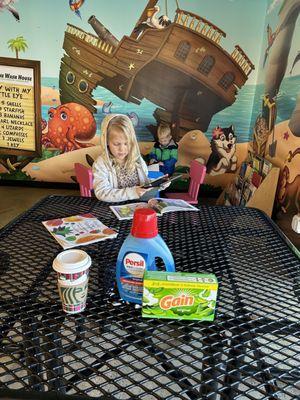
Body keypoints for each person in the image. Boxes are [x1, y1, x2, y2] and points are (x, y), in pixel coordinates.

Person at [93, 114, 152, 202]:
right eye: (117, 144)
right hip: (114, 208)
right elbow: (102, 192)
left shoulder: (137, 159)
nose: (122, 149)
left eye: (126, 143)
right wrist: (132, 193)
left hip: (138, 205)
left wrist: (158, 183)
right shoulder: (101, 164)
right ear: (106, 142)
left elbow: (144, 182)